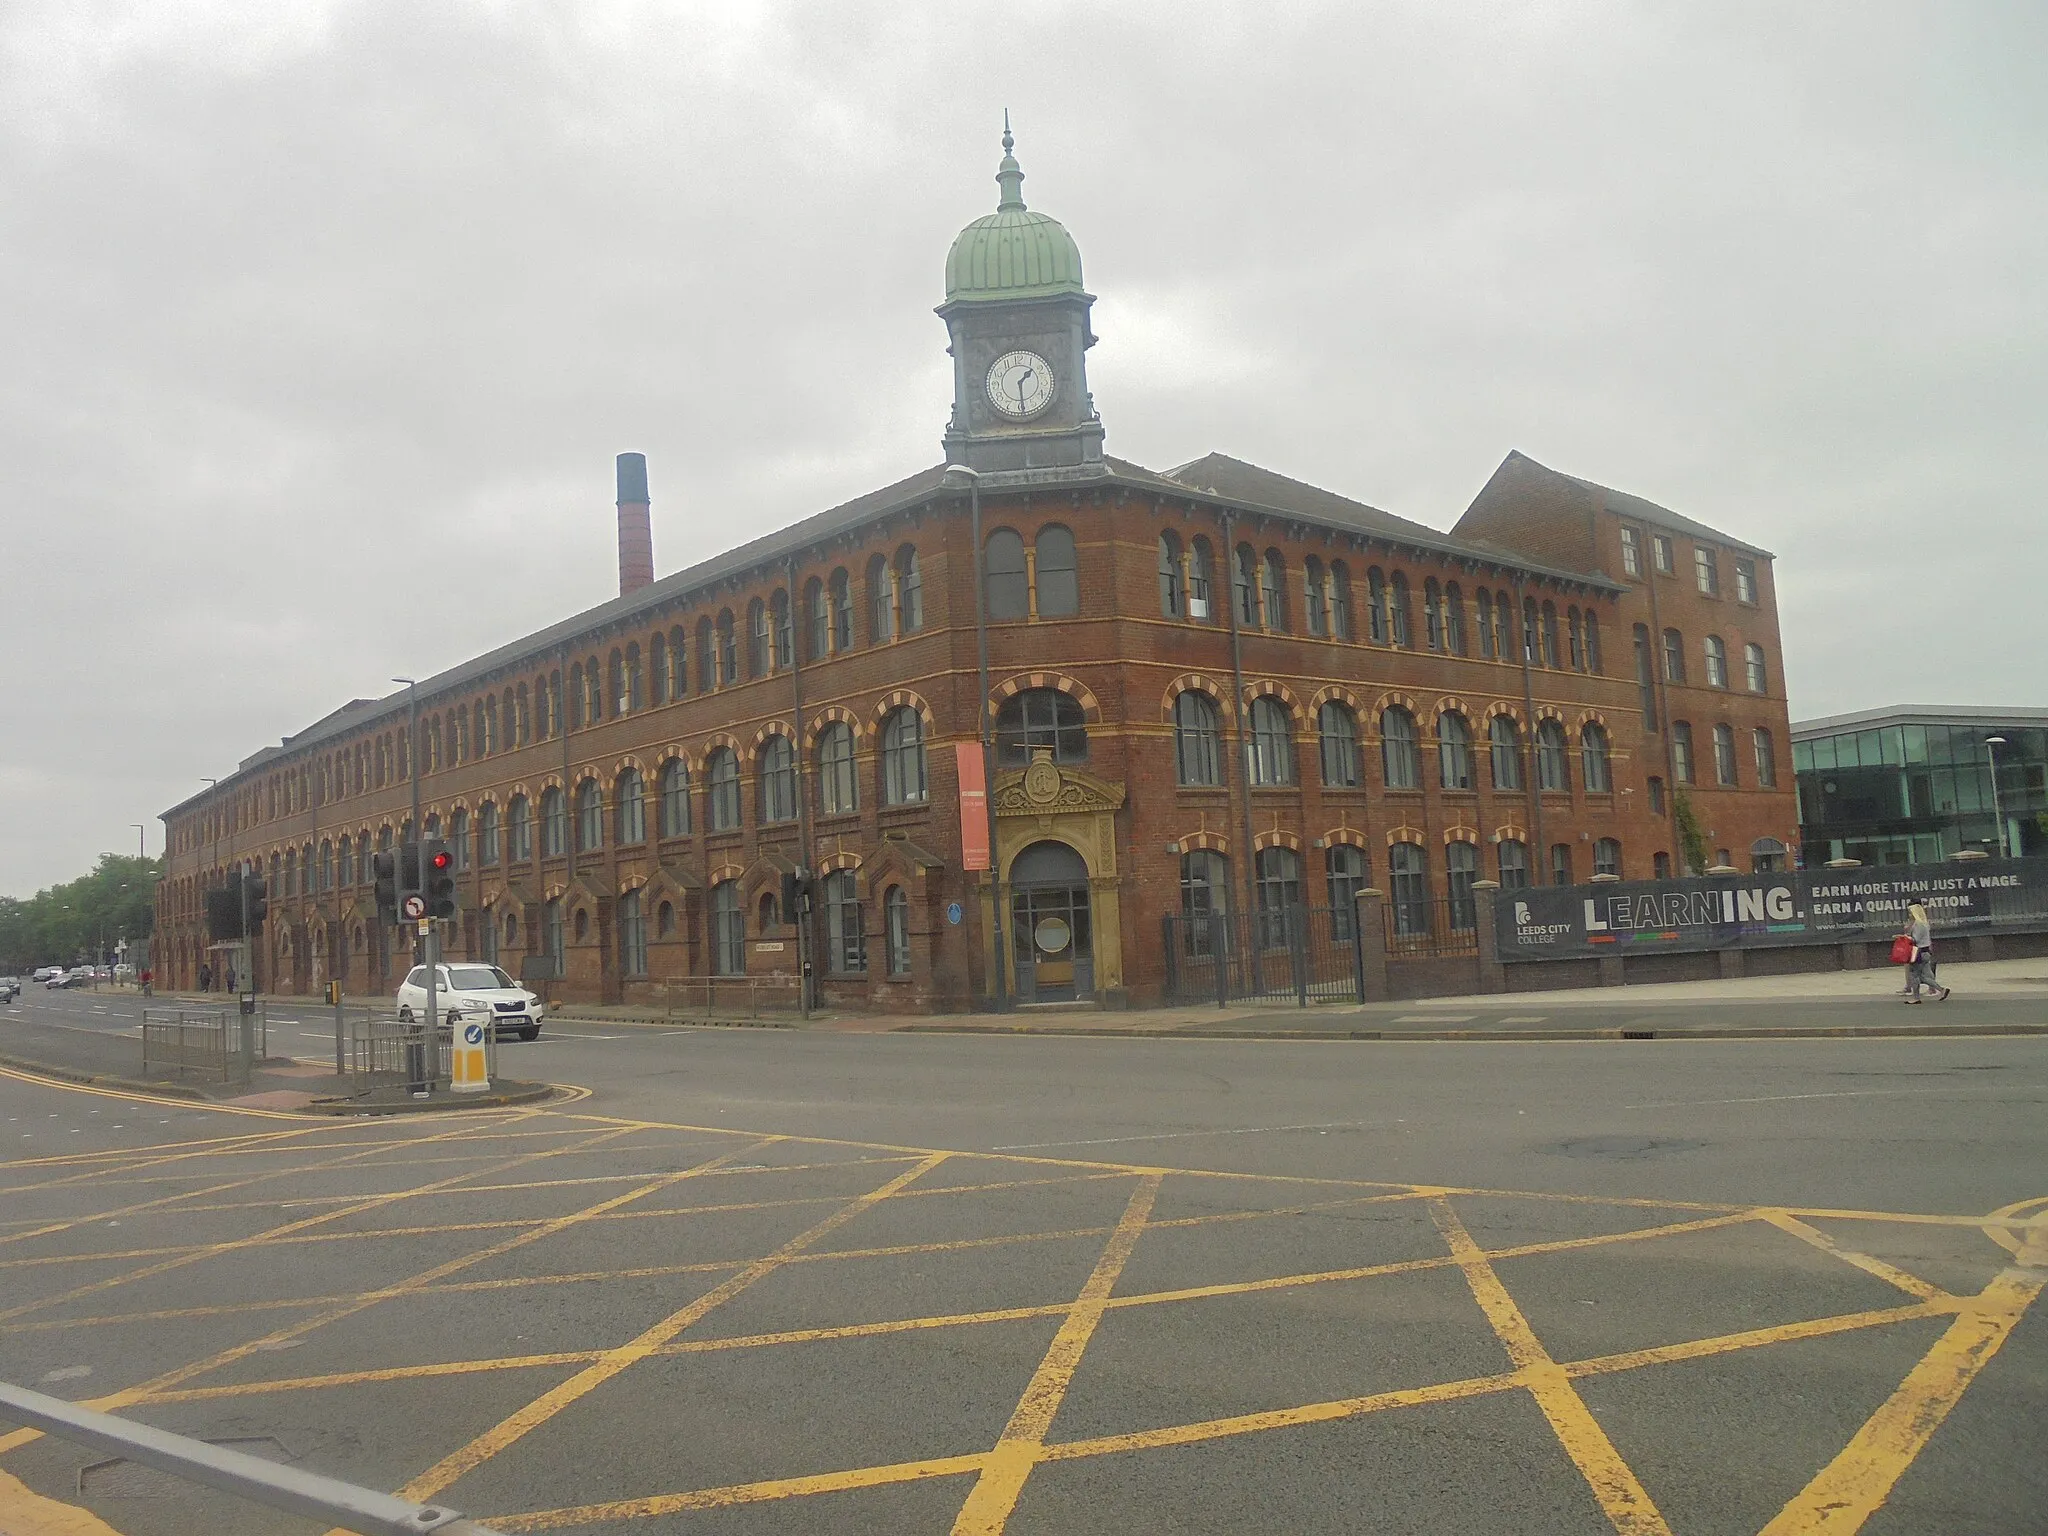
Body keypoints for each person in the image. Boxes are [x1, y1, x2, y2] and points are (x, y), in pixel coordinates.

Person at [1900, 900, 1949, 1003]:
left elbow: (1915, 939)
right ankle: (1941, 990)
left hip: (1919, 952)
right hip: (1925, 952)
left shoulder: (1918, 924)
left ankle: (1916, 998)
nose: (1909, 915)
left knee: (1914, 975)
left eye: (1910, 912)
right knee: (1923, 976)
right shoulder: (1924, 923)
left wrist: (1905, 937)